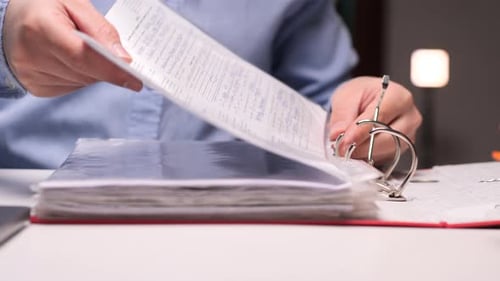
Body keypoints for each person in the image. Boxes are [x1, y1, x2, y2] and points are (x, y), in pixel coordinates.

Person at [0, 0, 421, 168]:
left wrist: (365, 117)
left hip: (230, 233)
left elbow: (316, 116)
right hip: (23, 211)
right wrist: (5, 38)